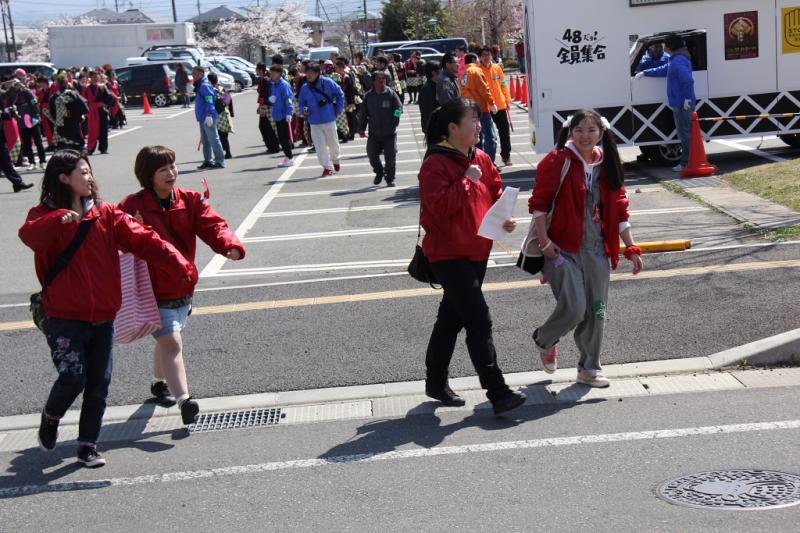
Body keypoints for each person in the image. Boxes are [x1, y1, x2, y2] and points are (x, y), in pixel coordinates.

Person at [19, 150, 196, 467]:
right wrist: (57, 220)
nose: (89, 178)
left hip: (103, 315)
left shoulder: (106, 213)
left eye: (89, 172)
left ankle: (87, 445)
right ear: (64, 178)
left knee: (99, 383)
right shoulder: (44, 213)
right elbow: (30, 236)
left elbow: (144, 239)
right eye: (82, 172)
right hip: (63, 315)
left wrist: (178, 261)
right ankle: (51, 416)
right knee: (74, 377)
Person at [119, 146, 245, 424]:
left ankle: (157, 383)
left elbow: (214, 225)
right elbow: (114, 235)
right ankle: (184, 401)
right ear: (147, 176)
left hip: (183, 287)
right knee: (172, 342)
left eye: (173, 166)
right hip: (152, 291)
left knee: (166, 340)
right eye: (163, 169)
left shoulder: (189, 199)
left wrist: (229, 245)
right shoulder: (132, 206)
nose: (171, 173)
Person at [418, 98, 526, 415]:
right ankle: (498, 391)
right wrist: (468, 180)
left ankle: (435, 382)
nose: (479, 125)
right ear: (453, 128)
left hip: (478, 250)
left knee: (450, 320)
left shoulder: (479, 157)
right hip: (448, 255)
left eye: (479, 120)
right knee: (479, 320)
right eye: (472, 120)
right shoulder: (435, 164)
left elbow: (494, 191)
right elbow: (437, 211)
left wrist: (503, 217)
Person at [528, 110, 644, 387]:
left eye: (591, 130)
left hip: (597, 250)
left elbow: (620, 209)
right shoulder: (557, 161)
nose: (585, 136)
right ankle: (545, 339)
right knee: (575, 308)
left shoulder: (608, 165)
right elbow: (539, 205)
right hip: (561, 249)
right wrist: (544, 243)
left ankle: (589, 367)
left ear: (601, 133)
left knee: (597, 309)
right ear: (570, 132)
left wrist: (631, 247)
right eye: (579, 130)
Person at [635, 33, 695, 172]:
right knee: (683, 134)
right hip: (679, 102)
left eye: (665, 44)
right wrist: (646, 73)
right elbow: (664, 70)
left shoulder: (678, 60)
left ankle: (686, 163)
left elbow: (688, 80)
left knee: (684, 134)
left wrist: (687, 98)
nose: (664, 47)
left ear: (670, 46)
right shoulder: (676, 59)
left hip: (682, 103)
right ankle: (688, 161)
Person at [298, 63, 345, 176]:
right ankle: (327, 167)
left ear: (317, 73)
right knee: (319, 146)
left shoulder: (327, 82)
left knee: (333, 143)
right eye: (307, 73)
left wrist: (338, 109)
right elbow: (301, 103)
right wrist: (305, 110)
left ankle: (336, 160)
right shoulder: (304, 87)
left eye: (311, 73)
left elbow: (340, 94)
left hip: (329, 118)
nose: (308, 76)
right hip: (314, 121)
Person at [358, 70, 403, 187]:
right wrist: (361, 129)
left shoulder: (391, 94)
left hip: (389, 133)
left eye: (384, 78)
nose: (382, 80)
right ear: (373, 82)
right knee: (372, 154)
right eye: (379, 78)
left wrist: (395, 121)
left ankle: (390, 178)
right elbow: (363, 114)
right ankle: (379, 172)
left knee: (390, 157)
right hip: (374, 133)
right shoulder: (368, 96)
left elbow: (399, 109)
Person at [478, 47, 513, 166]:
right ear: (480, 57)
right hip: (486, 107)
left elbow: (503, 85)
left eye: (488, 55)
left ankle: (506, 156)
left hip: (500, 105)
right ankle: (488, 160)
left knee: (504, 132)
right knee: (488, 136)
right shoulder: (477, 70)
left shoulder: (497, 68)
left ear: (492, 56)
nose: (486, 57)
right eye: (484, 55)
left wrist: (507, 100)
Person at [460, 53, 497, 162]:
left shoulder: (463, 74)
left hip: (469, 109)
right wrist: (492, 102)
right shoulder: (476, 71)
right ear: (474, 60)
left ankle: (477, 160)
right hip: (481, 108)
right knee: (491, 137)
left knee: (476, 138)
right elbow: (484, 89)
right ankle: (489, 162)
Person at [192, 66, 225, 169]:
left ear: (201, 74)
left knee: (213, 139)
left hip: (208, 116)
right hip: (203, 117)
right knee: (205, 140)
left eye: (195, 73)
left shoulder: (204, 85)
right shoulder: (200, 84)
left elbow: (209, 100)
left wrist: (209, 114)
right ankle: (208, 160)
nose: (193, 75)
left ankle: (220, 161)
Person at [11, 80, 47, 170]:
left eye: (17, 84)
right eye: (14, 85)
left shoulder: (26, 91)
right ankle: (32, 162)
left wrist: (36, 115)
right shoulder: (13, 95)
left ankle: (43, 161)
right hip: (22, 121)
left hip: (32, 119)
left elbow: (34, 102)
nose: (16, 86)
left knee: (38, 142)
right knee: (27, 143)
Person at [50, 72, 89, 150]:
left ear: (57, 84)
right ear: (67, 82)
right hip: (72, 122)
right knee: (77, 146)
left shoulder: (54, 97)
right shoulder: (72, 94)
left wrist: (57, 119)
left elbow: (52, 112)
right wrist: (80, 117)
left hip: (60, 124)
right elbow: (83, 106)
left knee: (62, 147)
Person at [82, 70, 116, 155]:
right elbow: (83, 101)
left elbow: (109, 97)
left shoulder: (102, 87)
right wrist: (85, 111)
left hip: (101, 110)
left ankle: (103, 148)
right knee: (92, 130)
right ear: (90, 78)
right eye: (93, 77)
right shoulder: (86, 88)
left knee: (103, 130)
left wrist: (107, 104)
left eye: (97, 77)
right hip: (91, 111)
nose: (95, 79)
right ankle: (90, 149)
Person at [269, 64, 295, 167]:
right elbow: (275, 97)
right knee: (281, 138)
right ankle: (288, 156)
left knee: (285, 138)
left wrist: (289, 112)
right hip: (277, 114)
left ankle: (290, 157)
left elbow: (289, 99)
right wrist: (272, 99)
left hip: (284, 115)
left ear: (279, 74)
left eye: (273, 73)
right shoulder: (274, 84)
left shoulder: (284, 85)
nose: (271, 75)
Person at [256, 62, 281, 154]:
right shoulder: (262, 79)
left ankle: (274, 146)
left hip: (268, 105)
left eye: (257, 70)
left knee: (268, 126)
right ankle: (270, 145)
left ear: (261, 70)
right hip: (263, 105)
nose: (256, 72)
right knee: (263, 126)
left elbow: (267, 95)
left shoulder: (266, 80)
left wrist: (263, 106)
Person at [208, 73, 234, 159]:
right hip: (225, 114)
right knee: (224, 136)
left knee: (218, 136)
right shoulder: (221, 88)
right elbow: (229, 99)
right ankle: (228, 152)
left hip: (217, 115)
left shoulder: (211, 90)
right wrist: (231, 112)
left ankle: (221, 154)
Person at [418, 61, 440, 132]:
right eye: (440, 70)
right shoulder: (427, 89)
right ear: (434, 73)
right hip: (433, 127)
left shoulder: (436, 86)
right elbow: (429, 111)